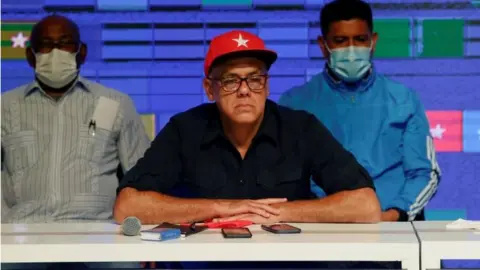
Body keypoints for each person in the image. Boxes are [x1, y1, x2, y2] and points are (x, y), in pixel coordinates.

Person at [114, 29, 381, 227]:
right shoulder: (184, 130)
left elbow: (366, 206)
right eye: (230, 80)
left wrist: (278, 213)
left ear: (266, 85)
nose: (244, 91)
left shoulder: (301, 127)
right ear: (210, 89)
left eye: (255, 78)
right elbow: (127, 206)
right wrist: (222, 207)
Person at [1, 15, 150, 269]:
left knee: (126, 266)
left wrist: (145, 237)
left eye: (65, 44)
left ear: (82, 53)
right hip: (21, 235)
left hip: (100, 234)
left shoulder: (114, 104)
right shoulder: (5, 107)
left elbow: (144, 178)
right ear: (30, 56)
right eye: (46, 45)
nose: (55, 52)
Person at [279, 0, 440, 224]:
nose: (352, 50)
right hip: (323, 233)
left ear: (373, 41)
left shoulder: (404, 99)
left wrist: (392, 216)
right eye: (341, 41)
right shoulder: (294, 103)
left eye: (360, 40)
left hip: (394, 230)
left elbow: (425, 174)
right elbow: (286, 179)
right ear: (323, 45)